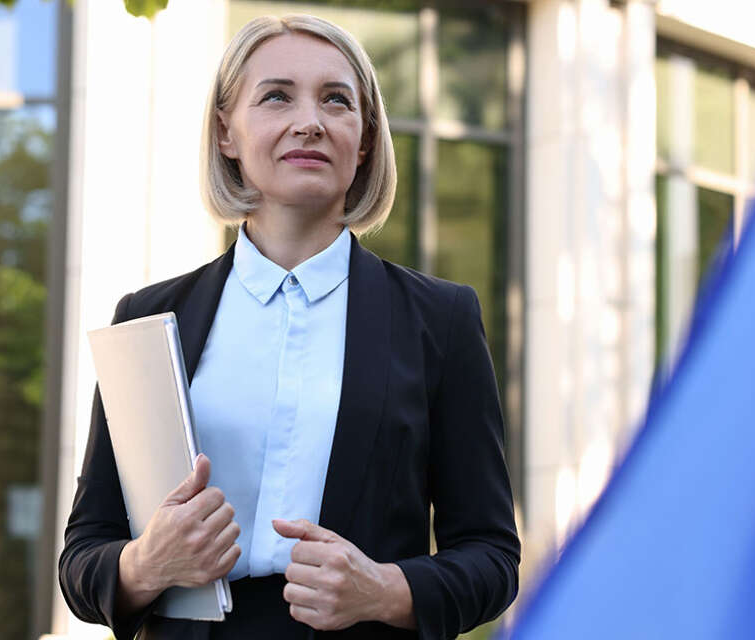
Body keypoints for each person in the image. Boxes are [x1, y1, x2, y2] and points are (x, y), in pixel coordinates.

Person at [58, 13, 520, 640]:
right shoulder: (148, 319)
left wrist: (384, 590)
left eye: (337, 100)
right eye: (276, 96)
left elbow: (492, 557)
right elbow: (84, 553)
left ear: (362, 142)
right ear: (227, 132)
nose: (310, 121)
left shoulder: (441, 321)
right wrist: (146, 563)